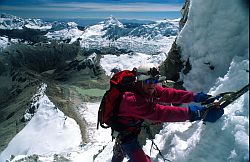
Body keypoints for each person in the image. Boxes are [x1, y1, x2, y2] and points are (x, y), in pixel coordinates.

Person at [111, 63, 224, 162]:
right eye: (149, 81)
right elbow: (160, 113)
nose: (152, 85)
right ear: (140, 81)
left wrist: (196, 97)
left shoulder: (147, 88)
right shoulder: (131, 100)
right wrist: (196, 113)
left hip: (132, 128)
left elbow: (169, 94)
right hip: (126, 135)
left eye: (155, 81)